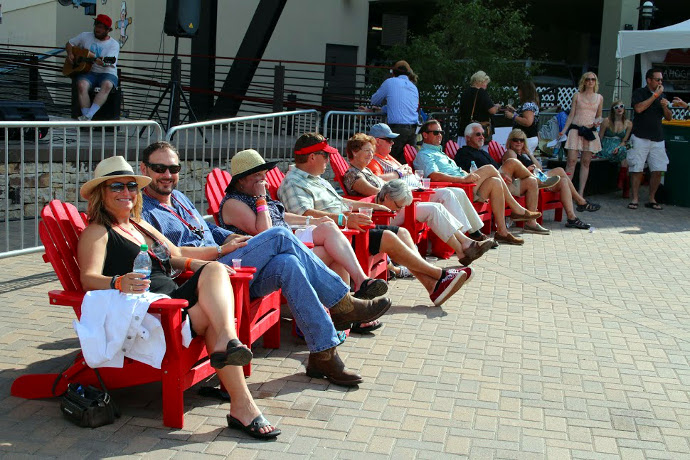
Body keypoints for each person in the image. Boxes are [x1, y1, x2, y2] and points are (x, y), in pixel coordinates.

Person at [138, 141, 392, 387]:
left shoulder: (179, 198)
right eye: (159, 169)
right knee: (279, 236)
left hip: (232, 263)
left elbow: (206, 228)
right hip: (206, 278)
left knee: (288, 263)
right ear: (143, 169)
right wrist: (220, 249)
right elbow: (171, 258)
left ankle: (324, 353)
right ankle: (343, 303)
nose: (167, 175)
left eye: (173, 168)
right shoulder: (144, 212)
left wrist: (228, 237)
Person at [77, 156, 280, 439]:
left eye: (131, 186)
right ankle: (242, 404)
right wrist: (117, 282)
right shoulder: (98, 231)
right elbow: (88, 278)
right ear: (102, 193)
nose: (126, 192)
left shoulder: (139, 225)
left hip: (173, 301)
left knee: (214, 271)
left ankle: (229, 351)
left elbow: (176, 254)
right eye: (117, 187)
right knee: (212, 314)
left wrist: (201, 261)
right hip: (150, 315)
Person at [278, 132, 473, 307]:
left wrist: (374, 207)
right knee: (387, 237)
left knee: (402, 232)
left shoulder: (317, 179)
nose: (328, 160)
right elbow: (305, 215)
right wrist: (343, 219)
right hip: (339, 235)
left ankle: (433, 287)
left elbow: (342, 201)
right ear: (312, 157)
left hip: (349, 227)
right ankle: (438, 275)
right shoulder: (293, 183)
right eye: (326, 156)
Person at [219, 148, 386, 333]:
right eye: (257, 175)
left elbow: (281, 217)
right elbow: (266, 232)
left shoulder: (255, 196)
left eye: (264, 174)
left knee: (328, 228)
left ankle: (361, 283)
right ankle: (345, 310)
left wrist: (312, 221)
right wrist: (261, 198)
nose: (263, 180)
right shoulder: (233, 204)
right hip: (266, 262)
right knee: (334, 253)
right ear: (241, 180)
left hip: (286, 245)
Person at [342, 133, 493, 265]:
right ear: (354, 152)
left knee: (437, 206)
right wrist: (401, 188)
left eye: (372, 151)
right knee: (433, 209)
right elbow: (377, 193)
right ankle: (464, 247)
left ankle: (464, 247)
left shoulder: (366, 171)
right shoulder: (353, 175)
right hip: (381, 214)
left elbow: (384, 187)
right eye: (367, 151)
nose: (370, 154)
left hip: (392, 206)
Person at [413, 119, 541, 245]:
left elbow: (457, 171)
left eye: (441, 132)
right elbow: (434, 175)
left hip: (467, 186)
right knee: (490, 168)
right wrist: (463, 179)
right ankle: (517, 208)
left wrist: (466, 175)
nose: (440, 135)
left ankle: (502, 232)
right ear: (425, 135)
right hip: (457, 188)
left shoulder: (440, 153)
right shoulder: (425, 154)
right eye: (436, 132)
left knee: (495, 181)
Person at [367, 123, 494, 247]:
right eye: (389, 140)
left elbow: (405, 171)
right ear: (377, 141)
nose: (393, 143)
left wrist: (405, 171)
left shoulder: (388, 157)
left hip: (418, 192)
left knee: (452, 192)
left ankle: (472, 234)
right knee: (443, 200)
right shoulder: (373, 160)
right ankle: (466, 240)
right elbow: (377, 182)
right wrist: (399, 173)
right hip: (406, 200)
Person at [455, 123, 559, 235]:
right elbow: (471, 174)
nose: (482, 137)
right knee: (512, 162)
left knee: (531, 181)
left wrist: (504, 174)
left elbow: (497, 167)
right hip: (488, 186)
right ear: (468, 138)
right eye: (478, 134)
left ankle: (531, 224)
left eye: (483, 134)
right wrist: (500, 174)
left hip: (503, 183)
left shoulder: (483, 152)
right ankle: (541, 181)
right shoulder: (463, 153)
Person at [502, 129, 592, 230]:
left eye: (522, 140)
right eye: (515, 140)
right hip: (524, 182)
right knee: (560, 170)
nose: (519, 142)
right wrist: (528, 169)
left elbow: (539, 168)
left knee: (563, 181)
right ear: (510, 141)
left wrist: (529, 154)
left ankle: (572, 218)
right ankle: (580, 200)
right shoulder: (510, 152)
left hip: (535, 178)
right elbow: (515, 170)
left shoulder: (523, 154)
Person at [627, 68, 687, 210]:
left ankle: (652, 198)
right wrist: (654, 96)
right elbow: (639, 109)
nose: (660, 82)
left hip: (658, 138)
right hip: (640, 136)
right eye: (657, 79)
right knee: (637, 168)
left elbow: (669, 117)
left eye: (661, 80)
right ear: (649, 80)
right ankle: (635, 198)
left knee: (658, 169)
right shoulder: (639, 93)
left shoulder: (662, 96)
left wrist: (665, 107)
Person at [66, 14, 120, 121]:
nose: (97, 29)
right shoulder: (85, 36)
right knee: (81, 85)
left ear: (108, 30)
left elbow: (109, 61)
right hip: (88, 71)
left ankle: (88, 115)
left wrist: (102, 62)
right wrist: (70, 54)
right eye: (97, 26)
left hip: (107, 72)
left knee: (107, 85)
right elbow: (69, 43)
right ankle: (86, 118)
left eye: (101, 28)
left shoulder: (113, 44)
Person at [559, 72, 604, 198]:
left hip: (589, 131)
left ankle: (581, 193)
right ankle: (566, 192)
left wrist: (597, 122)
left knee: (586, 162)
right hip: (576, 129)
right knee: (571, 161)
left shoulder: (599, 97)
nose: (590, 82)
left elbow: (599, 115)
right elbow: (571, 115)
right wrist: (564, 130)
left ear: (595, 81)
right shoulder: (577, 96)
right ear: (584, 81)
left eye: (593, 79)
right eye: (588, 79)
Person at [369, 60, 419, 164]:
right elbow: (403, 107)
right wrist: (385, 108)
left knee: (390, 163)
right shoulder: (413, 87)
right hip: (413, 130)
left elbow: (374, 100)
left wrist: (381, 108)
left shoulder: (390, 82)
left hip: (397, 129)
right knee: (407, 165)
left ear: (393, 72)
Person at [458, 71, 501, 147]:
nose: (486, 85)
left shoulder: (465, 93)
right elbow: (492, 110)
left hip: (464, 129)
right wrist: (497, 107)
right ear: (480, 82)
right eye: (486, 83)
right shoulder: (481, 93)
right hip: (478, 131)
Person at [504, 80, 540, 153]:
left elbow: (528, 122)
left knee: (523, 158)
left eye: (519, 90)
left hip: (526, 138)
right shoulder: (531, 104)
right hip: (529, 137)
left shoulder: (528, 105)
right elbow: (525, 116)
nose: (518, 93)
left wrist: (513, 116)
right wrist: (515, 111)